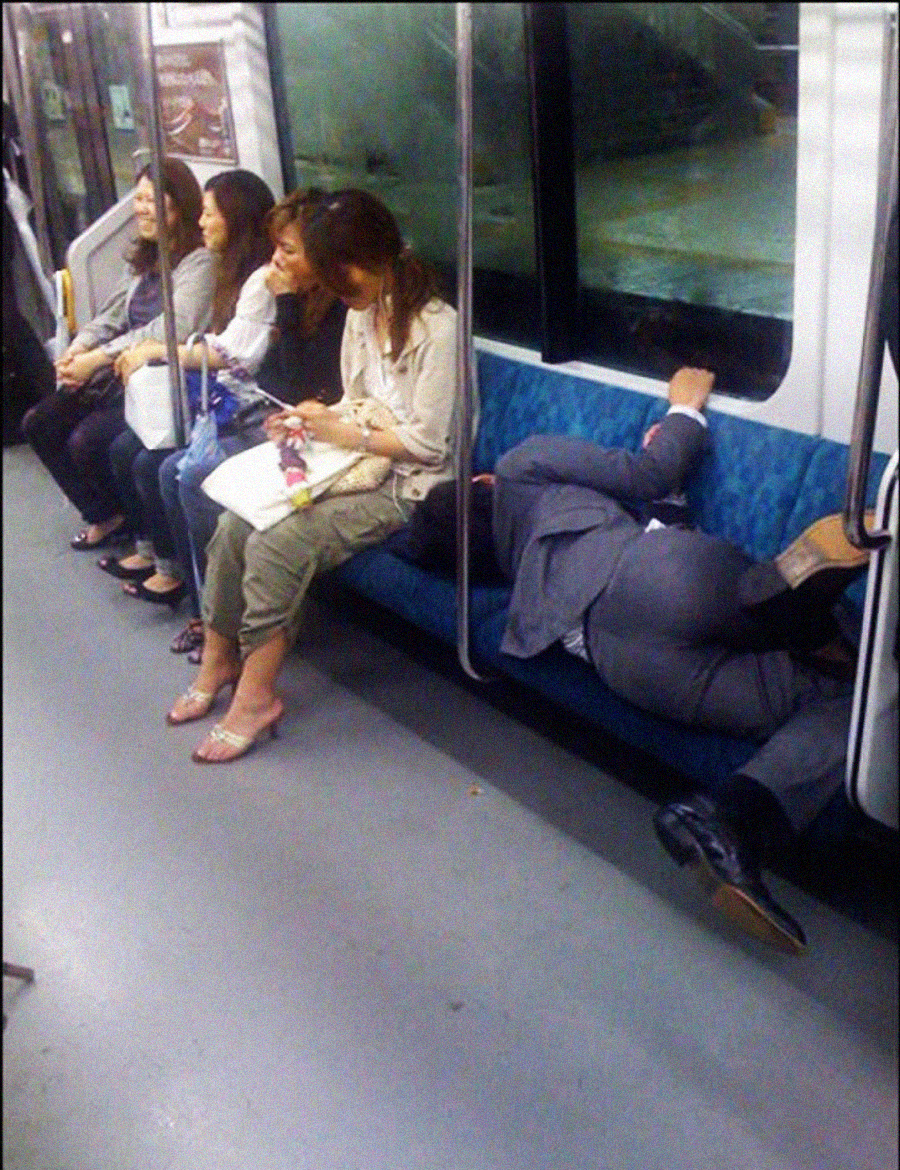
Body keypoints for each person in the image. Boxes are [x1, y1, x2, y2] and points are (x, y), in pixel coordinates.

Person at [490, 367, 872, 954]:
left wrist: (670, 504)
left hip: (627, 664)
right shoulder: (520, 465)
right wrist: (683, 409)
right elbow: (650, 472)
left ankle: (730, 824)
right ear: (481, 480)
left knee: (851, 711)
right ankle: (796, 601)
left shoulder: (517, 577)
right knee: (855, 674)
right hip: (648, 573)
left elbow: (659, 504)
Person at [166, 188, 458, 763]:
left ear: (370, 261)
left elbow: (429, 444)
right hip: (354, 465)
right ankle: (219, 658)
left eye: (337, 271)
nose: (333, 286)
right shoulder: (361, 313)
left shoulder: (438, 330)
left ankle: (255, 697)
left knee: (282, 541)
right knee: (234, 524)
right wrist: (313, 419)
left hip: (410, 485)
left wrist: (339, 431)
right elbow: (355, 401)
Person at [141, 186, 347, 656]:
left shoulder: (335, 309)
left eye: (289, 250)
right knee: (169, 470)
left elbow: (299, 388)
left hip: (315, 431)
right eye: (276, 246)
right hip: (273, 417)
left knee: (193, 476)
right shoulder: (279, 291)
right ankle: (206, 610)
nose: (275, 259)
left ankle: (229, 624)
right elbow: (269, 376)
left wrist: (288, 307)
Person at [100, 169, 277, 608]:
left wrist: (161, 350)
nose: (201, 222)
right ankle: (176, 571)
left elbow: (235, 354)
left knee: (176, 471)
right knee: (128, 449)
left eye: (210, 214)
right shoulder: (222, 270)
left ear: (234, 220)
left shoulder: (258, 279)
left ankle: (206, 603)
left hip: (249, 405)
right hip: (220, 397)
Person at [21, 159, 213, 550]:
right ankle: (107, 514)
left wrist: (98, 359)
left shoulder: (199, 262)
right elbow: (113, 314)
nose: (141, 208)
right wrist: (79, 347)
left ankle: (139, 528)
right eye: (138, 199)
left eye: (152, 199)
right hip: (115, 372)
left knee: (87, 440)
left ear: (180, 205)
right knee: (39, 422)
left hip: (159, 376)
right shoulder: (145, 256)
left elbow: (166, 329)